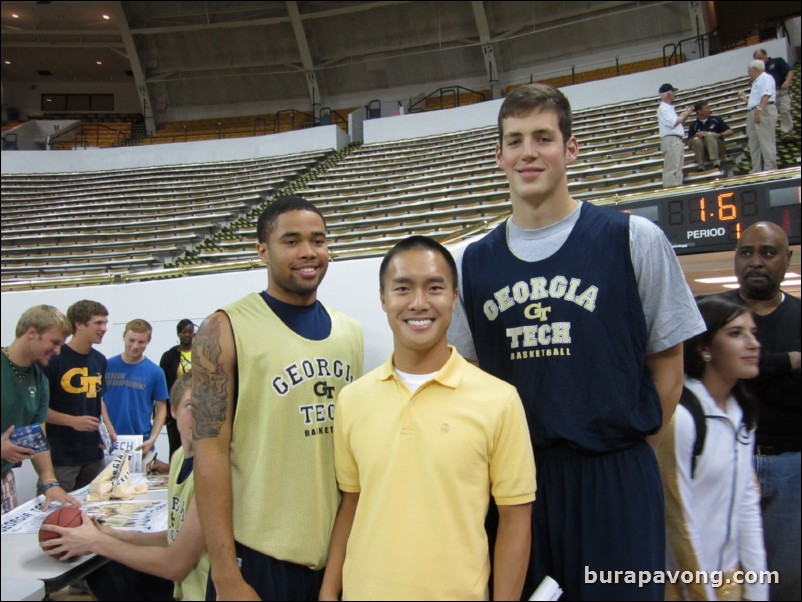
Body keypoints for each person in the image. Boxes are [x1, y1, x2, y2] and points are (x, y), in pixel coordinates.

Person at [448, 83, 705, 600]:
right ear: (498, 155)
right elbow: (469, 379)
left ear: (570, 149)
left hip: (616, 472)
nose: (528, 152)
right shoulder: (473, 262)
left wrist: (626, 455)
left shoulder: (633, 238)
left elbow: (670, 369)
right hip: (520, 485)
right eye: (515, 140)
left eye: (543, 138)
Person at [320, 236, 536, 601]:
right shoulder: (352, 400)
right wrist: (329, 592)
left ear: (453, 297)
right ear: (383, 298)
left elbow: (516, 520)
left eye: (434, 288)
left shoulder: (499, 400)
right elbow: (352, 504)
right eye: (403, 289)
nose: (418, 303)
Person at [192, 195, 364, 601]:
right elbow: (209, 456)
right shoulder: (222, 329)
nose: (309, 252)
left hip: (339, 556)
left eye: (318, 241)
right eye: (292, 241)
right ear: (262, 251)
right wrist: (225, 575)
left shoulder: (350, 332)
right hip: (259, 558)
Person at [40, 373, 210, 601]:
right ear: (173, 410)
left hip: (201, 590)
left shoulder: (211, 470)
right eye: (191, 406)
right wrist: (113, 534)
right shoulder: (180, 457)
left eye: (208, 407)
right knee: (101, 567)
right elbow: (175, 536)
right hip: (184, 582)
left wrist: (96, 541)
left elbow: (176, 565)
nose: (199, 415)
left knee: (106, 561)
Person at [657, 295, 767, 601]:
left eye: (753, 333)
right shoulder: (681, 418)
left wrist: (757, 592)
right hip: (684, 588)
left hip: (731, 584)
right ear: (704, 347)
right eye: (736, 333)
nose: (753, 343)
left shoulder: (741, 414)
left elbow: (747, 508)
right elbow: (679, 521)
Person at [721, 221, 800, 601]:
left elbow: (738, 372)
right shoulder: (712, 315)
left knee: (788, 578)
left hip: (793, 465)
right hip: (726, 464)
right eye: (746, 252)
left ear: (788, 258)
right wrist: (789, 362)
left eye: (767, 253)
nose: (755, 262)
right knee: (725, 580)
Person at [2, 305, 80, 513]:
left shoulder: (40, 380)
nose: (57, 351)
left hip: (5, 478)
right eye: (54, 342)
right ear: (31, 333)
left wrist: (49, 481)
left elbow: (37, 434)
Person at [44, 299, 117, 493]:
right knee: (56, 515)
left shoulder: (99, 360)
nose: (104, 328)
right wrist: (71, 421)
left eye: (105, 323)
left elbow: (97, 400)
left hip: (94, 454)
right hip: (61, 456)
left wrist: (108, 431)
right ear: (79, 324)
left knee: (94, 509)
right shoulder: (54, 359)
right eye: (98, 323)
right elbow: (37, 410)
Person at [105, 319, 169, 457]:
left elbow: (161, 408)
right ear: (124, 337)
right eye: (131, 340)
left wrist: (152, 439)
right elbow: (99, 400)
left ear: (148, 341)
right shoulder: (106, 366)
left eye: (141, 342)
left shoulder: (155, 372)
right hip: (108, 441)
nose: (135, 346)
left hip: (140, 442)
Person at [159, 319, 195, 459]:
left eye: (190, 332)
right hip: (174, 406)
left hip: (197, 405)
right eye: (184, 332)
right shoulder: (169, 356)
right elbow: (162, 384)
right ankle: (173, 472)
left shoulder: (201, 353)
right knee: (175, 444)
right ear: (178, 334)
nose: (187, 335)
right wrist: (164, 411)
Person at [739, 60, 777, 174]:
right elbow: (755, 101)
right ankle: (756, 169)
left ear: (756, 69)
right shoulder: (756, 82)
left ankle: (770, 168)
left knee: (766, 141)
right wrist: (744, 98)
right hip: (754, 111)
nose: (748, 73)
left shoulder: (766, 78)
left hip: (763, 110)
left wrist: (760, 111)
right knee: (753, 142)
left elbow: (766, 95)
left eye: (749, 70)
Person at [754, 48, 795, 143]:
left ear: (765, 55)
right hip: (768, 95)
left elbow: (790, 71)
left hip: (780, 90)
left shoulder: (777, 61)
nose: (759, 61)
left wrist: (787, 81)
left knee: (785, 110)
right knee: (769, 115)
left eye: (760, 58)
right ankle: (772, 133)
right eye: (757, 59)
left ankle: (787, 131)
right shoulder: (759, 70)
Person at [657, 82, 693, 187]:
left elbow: (676, 123)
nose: (675, 94)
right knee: (672, 167)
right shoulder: (663, 108)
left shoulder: (668, 108)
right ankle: (670, 190)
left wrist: (684, 115)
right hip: (671, 139)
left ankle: (676, 188)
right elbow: (673, 123)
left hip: (675, 139)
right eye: (673, 92)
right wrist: (684, 114)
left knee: (677, 167)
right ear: (668, 93)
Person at [687, 101, 734, 170]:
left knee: (708, 134)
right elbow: (689, 144)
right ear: (699, 111)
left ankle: (716, 162)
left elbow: (730, 132)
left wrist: (719, 134)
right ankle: (701, 165)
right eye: (706, 108)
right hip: (704, 152)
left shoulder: (715, 119)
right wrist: (696, 135)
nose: (709, 109)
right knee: (696, 139)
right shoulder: (693, 124)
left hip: (718, 148)